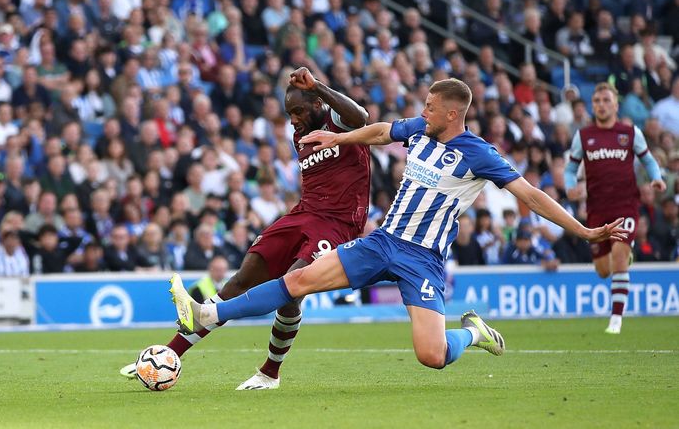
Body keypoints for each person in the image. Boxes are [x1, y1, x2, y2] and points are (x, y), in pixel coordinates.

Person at [168, 78, 626, 374]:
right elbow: (378, 129)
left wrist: (584, 232)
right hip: (382, 242)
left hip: (421, 259)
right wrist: (337, 136)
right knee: (299, 279)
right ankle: (209, 313)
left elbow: (531, 195)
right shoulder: (420, 131)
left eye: (429, 106)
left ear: (452, 113)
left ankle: (474, 333)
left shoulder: (478, 153)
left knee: (432, 356)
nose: (422, 111)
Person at [121, 67, 370, 390]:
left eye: (298, 111)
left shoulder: (338, 123)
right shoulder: (300, 135)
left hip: (338, 222)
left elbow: (362, 117)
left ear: (318, 105)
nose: (293, 119)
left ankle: (269, 372)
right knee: (242, 277)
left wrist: (318, 86)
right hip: (304, 213)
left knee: (292, 287)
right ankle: (166, 355)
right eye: (288, 113)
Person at [564, 82, 666, 335]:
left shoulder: (630, 133)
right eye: (597, 100)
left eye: (606, 100)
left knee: (619, 258)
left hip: (626, 206)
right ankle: (622, 257)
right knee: (602, 270)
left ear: (616, 105)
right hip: (597, 209)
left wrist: (656, 177)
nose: (601, 105)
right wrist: (570, 186)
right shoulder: (584, 136)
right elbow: (569, 169)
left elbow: (648, 160)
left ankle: (616, 320)